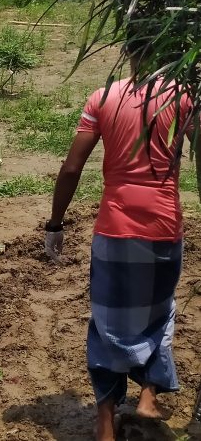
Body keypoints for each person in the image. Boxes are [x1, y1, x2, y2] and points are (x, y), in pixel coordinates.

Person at [44, 40, 195, 441]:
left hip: (115, 227)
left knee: (108, 322)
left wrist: (55, 223)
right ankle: (148, 394)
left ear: (129, 50)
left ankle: (106, 422)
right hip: (164, 225)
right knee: (160, 312)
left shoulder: (103, 97)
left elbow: (72, 166)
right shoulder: (182, 97)